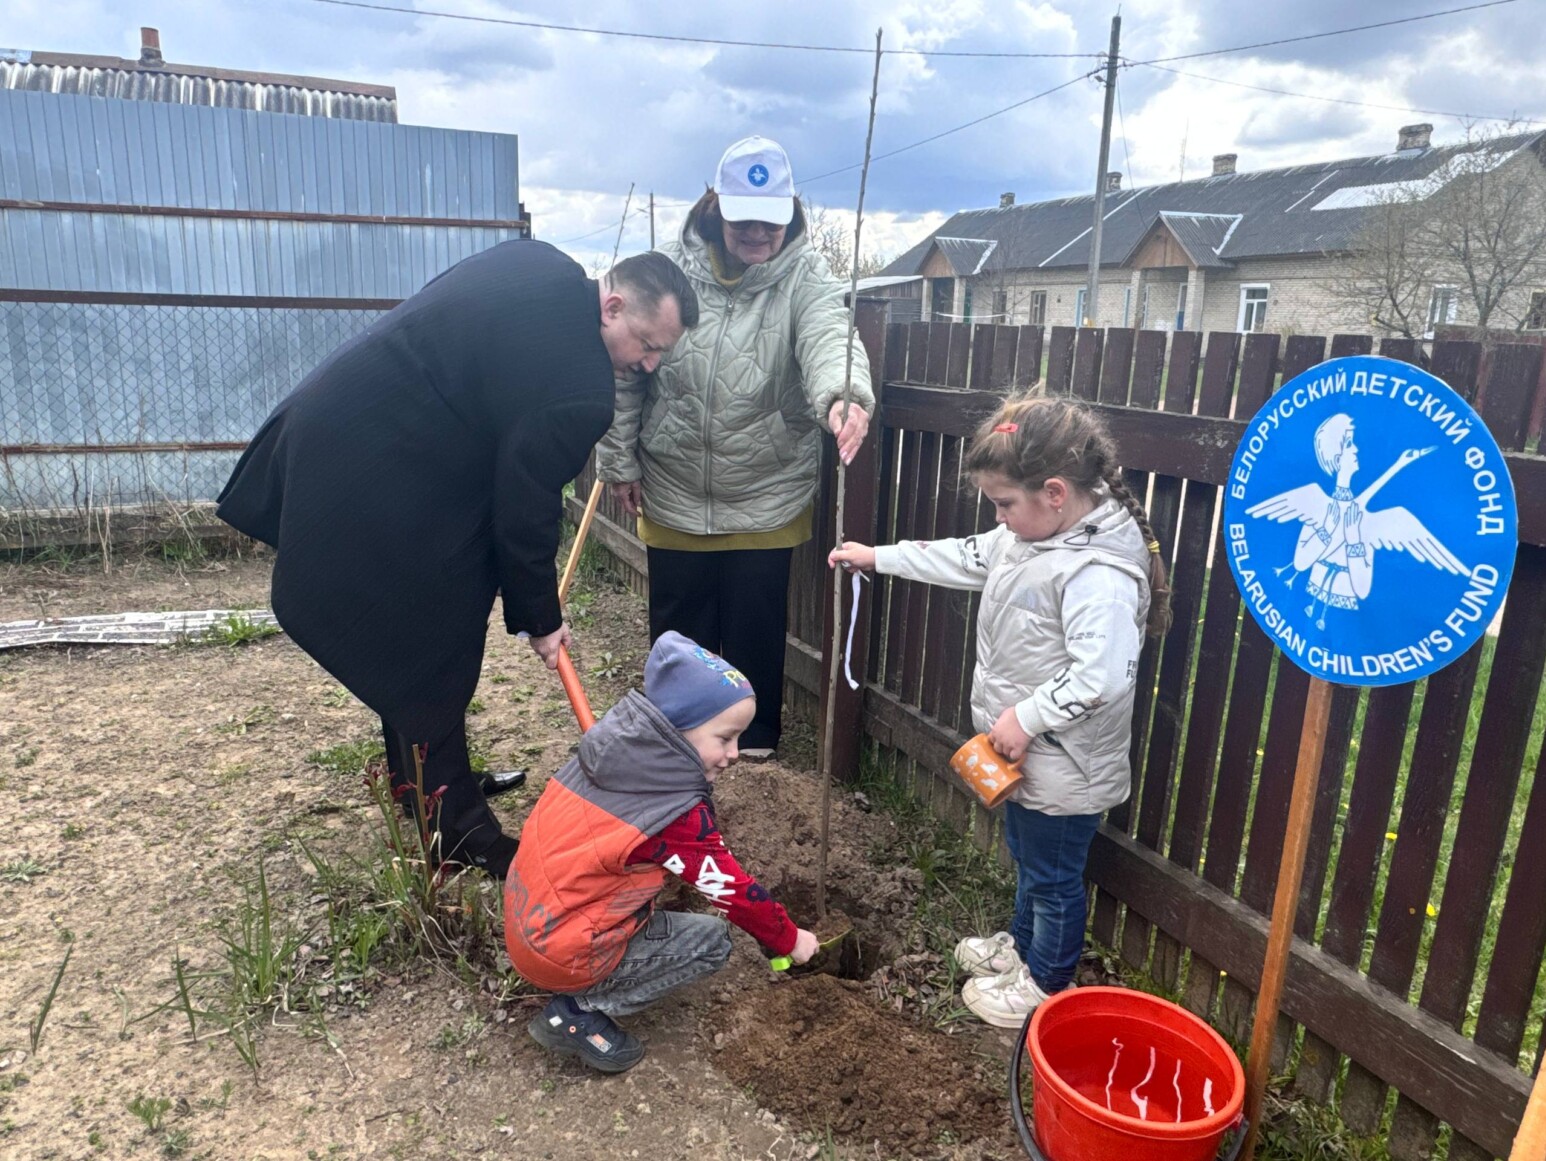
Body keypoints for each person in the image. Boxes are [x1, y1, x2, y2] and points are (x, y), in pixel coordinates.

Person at [216, 242, 698, 879]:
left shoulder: (541, 266)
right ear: (612, 307)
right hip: (372, 475)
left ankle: (421, 785)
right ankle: (457, 832)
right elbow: (524, 512)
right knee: (431, 649)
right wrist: (542, 618)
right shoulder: (580, 391)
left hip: (341, 433)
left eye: (660, 352)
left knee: (423, 640)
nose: (649, 364)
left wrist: (527, 607)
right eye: (647, 344)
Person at [828, 395, 1172, 1028]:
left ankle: (1045, 985)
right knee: (1029, 859)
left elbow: (1101, 677)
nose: (998, 518)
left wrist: (1027, 719)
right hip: (1031, 757)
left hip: (1068, 766)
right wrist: (878, 557)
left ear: (1056, 493)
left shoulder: (1098, 574)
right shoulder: (1029, 537)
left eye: (1004, 504)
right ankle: (1021, 946)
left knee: (1054, 876)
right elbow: (965, 555)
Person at [595, 135, 875, 759]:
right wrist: (618, 459)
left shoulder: (805, 276)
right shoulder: (665, 270)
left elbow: (831, 333)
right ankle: (674, 743)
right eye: (743, 218)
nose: (756, 233)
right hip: (672, 483)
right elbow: (622, 370)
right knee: (679, 629)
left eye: (769, 221)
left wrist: (845, 393)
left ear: (790, 214)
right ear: (715, 206)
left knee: (754, 628)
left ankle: (753, 752)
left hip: (766, 486)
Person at [505, 631, 820, 1072]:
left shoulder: (613, 756)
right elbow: (730, 889)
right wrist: (790, 938)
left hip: (530, 917)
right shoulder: (670, 813)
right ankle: (575, 1011)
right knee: (711, 943)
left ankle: (576, 977)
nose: (735, 753)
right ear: (677, 730)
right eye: (725, 738)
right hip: (561, 949)